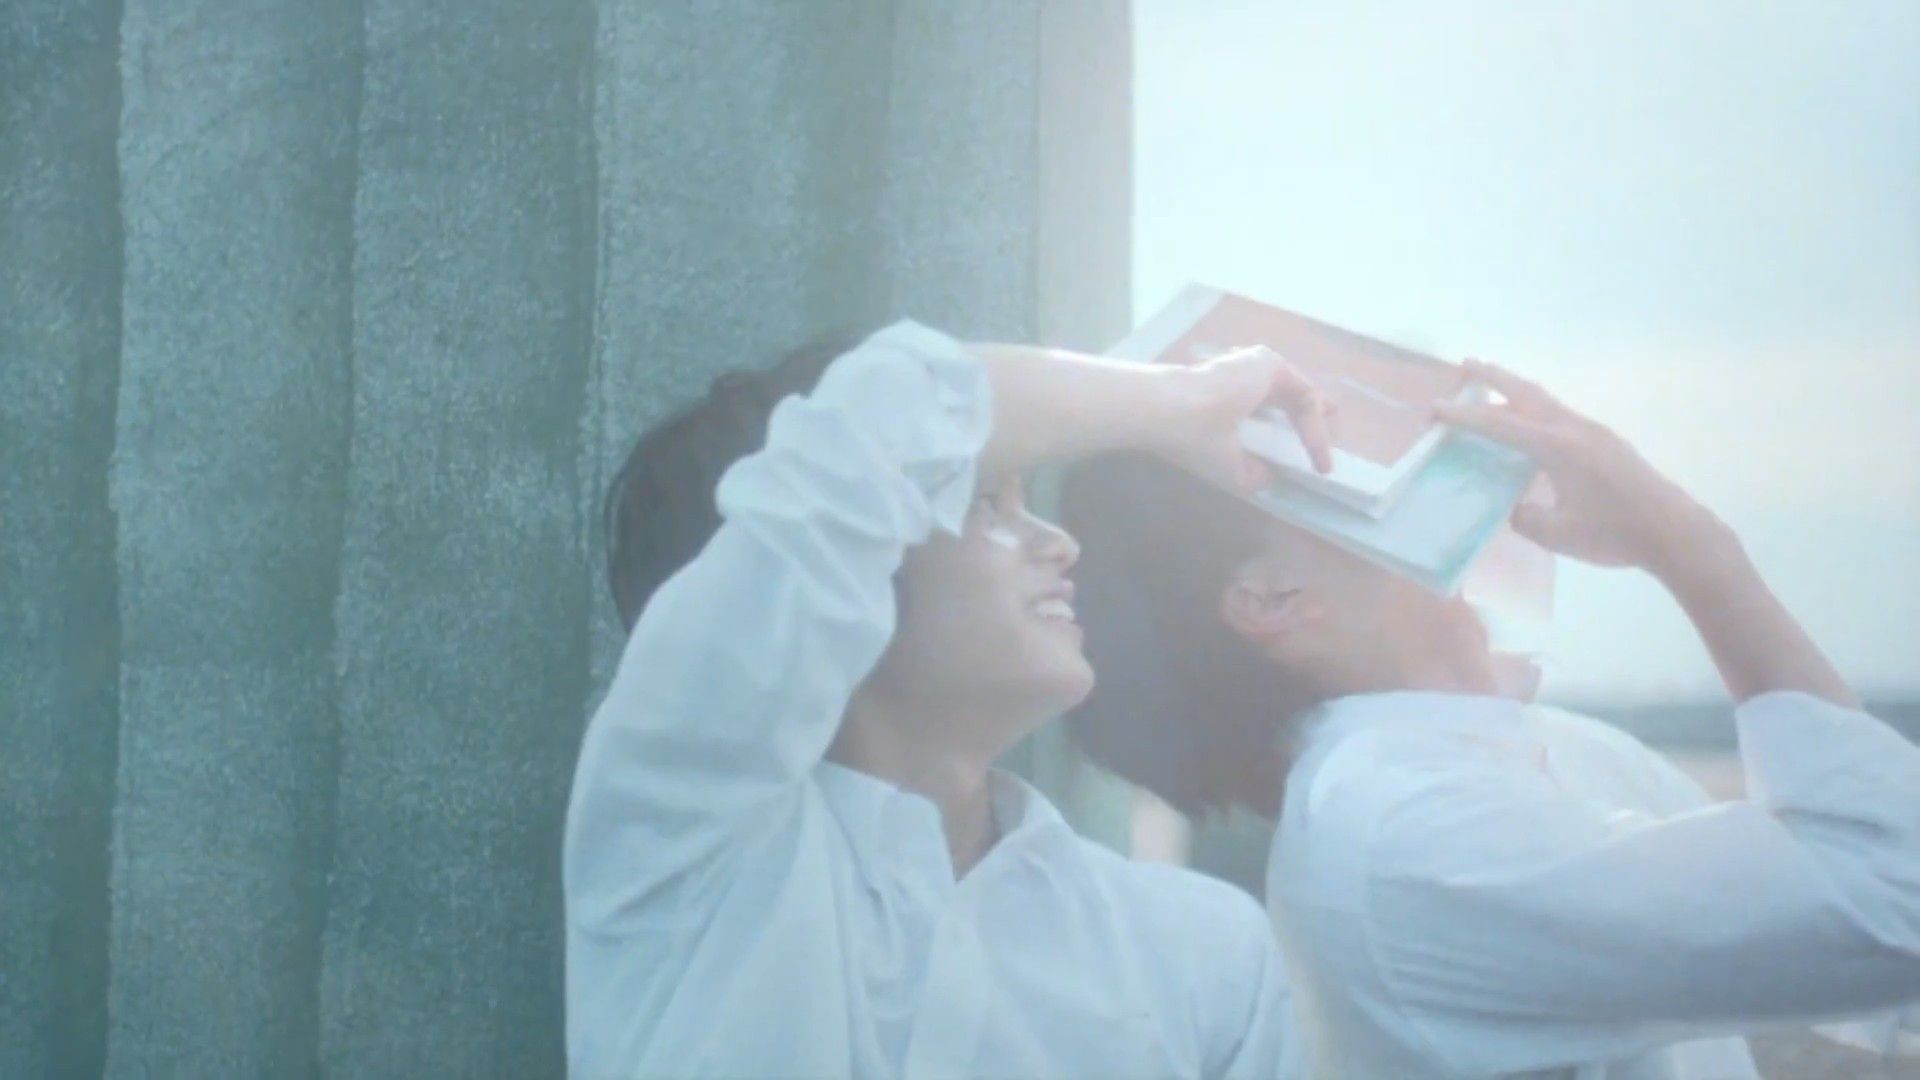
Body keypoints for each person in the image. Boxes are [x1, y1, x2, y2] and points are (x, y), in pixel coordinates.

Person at [1063, 358, 1920, 1078]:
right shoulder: (1408, 828)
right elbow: (1894, 902)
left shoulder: (1539, 756)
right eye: (1323, 460)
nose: (1404, 466)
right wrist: (1686, 542)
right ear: (1273, 598)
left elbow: (1843, 974)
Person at [562, 321, 1330, 1078]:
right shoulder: (683, 838)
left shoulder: (1202, 954)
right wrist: (1184, 399)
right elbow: (892, 416)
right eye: (988, 503)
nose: (1060, 544)